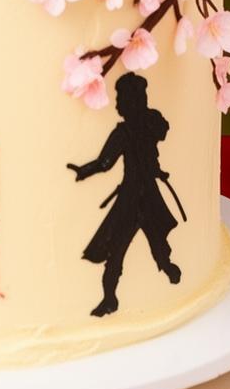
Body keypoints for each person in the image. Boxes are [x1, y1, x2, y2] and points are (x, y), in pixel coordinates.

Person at [68, 74, 183, 317]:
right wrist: (84, 170)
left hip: (137, 195)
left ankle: (166, 270)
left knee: (151, 243)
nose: (118, 104)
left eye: (121, 98)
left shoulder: (142, 125)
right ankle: (112, 298)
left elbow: (105, 163)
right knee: (119, 250)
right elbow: (106, 162)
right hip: (136, 195)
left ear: (134, 100)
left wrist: (85, 170)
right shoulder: (142, 125)